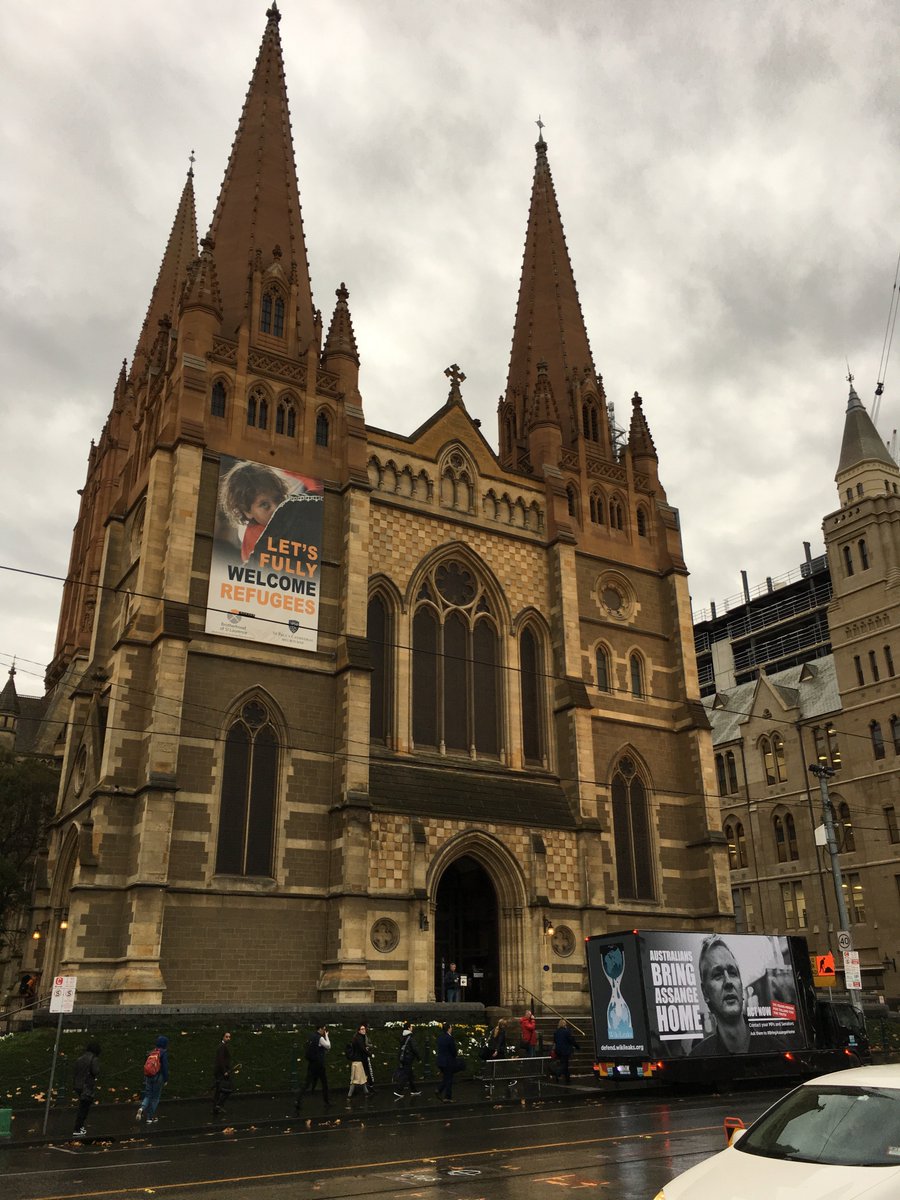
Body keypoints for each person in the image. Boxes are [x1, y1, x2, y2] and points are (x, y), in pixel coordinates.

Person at [690, 935, 751, 1056]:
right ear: (705, 993)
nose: (728, 982)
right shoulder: (698, 1059)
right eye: (717, 975)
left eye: (733, 973)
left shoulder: (777, 1050)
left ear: (741, 985)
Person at [219, 460, 290, 562]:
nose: (276, 508)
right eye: (264, 504)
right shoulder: (258, 539)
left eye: (278, 499)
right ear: (246, 512)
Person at [296, 1024, 331, 1110]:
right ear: (320, 1029)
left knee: (307, 1083)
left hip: (312, 1063)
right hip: (319, 1065)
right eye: (324, 1029)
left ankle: (298, 1100)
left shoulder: (312, 1036)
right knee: (324, 1083)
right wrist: (327, 1036)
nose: (324, 1031)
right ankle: (326, 1102)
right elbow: (328, 1046)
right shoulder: (320, 1038)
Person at [137, 1035, 169, 1124]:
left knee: (148, 1095)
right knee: (155, 1098)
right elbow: (165, 1068)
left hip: (148, 1077)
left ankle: (142, 1108)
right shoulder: (163, 1053)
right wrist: (166, 1079)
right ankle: (149, 1118)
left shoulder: (152, 1052)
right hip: (158, 1078)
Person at [72, 1041, 101, 1137]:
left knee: (82, 1105)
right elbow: (95, 1071)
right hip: (87, 1086)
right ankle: (78, 1128)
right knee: (84, 1108)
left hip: (78, 1085)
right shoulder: (94, 1059)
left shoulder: (80, 1059)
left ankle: (79, 1127)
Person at [394, 1021, 421, 1098]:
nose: (412, 1028)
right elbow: (415, 1049)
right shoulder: (410, 1037)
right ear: (409, 1028)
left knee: (410, 1075)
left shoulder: (403, 1036)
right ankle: (398, 1091)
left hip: (403, 1058)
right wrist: (419, 1058)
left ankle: (413, 1090)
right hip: (408, 1059)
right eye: (411, 1026)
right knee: (406, 1075)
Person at [436, 1021, 459, 1102]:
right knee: (449, 1079)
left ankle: (439, 1090)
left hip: (440, 1061)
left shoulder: (440, 1038)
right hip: (448, 1061)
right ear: (449, 1029)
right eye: (451, 1027)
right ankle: (447, 1097)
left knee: (446, 1077)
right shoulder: (450, 1038)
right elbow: (453, 1051)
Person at [347, 1023, 371, 1099]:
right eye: (362, 1029)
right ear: (359, 1030)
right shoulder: (359, 1038)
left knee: (361, 1078)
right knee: (355, 1079)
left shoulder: (357, 1037)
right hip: (357, 1061)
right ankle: (349, 1095)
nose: (364, 1030)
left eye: (364, 1029)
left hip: (357, 1061)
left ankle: (366, 1092)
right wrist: (370, 1054)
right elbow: (362, 1048)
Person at [552, 1019, 580, 1084]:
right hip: (565, 1050)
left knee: (564, 1064)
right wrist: (577, 1047)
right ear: (565, 1024)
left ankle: (567, 1079)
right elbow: (571, 1041)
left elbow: (555, 1041)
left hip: (558, 1050)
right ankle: (558, 1073)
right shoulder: (567, 1032)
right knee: (565, 1065)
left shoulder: (556, 1032)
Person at [212, 1031, 233, 1116]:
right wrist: (225, 1071)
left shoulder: (222, 1046)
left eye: (229, 1037)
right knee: (228, 1089)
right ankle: (218, 1105)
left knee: (218, 1090)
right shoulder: (222, 1047)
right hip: (222, 1072)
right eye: (226, 1037)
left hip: (219, 1071)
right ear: (223, 1037)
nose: (228, 1038)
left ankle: (215, 1108)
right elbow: (221, 1060)